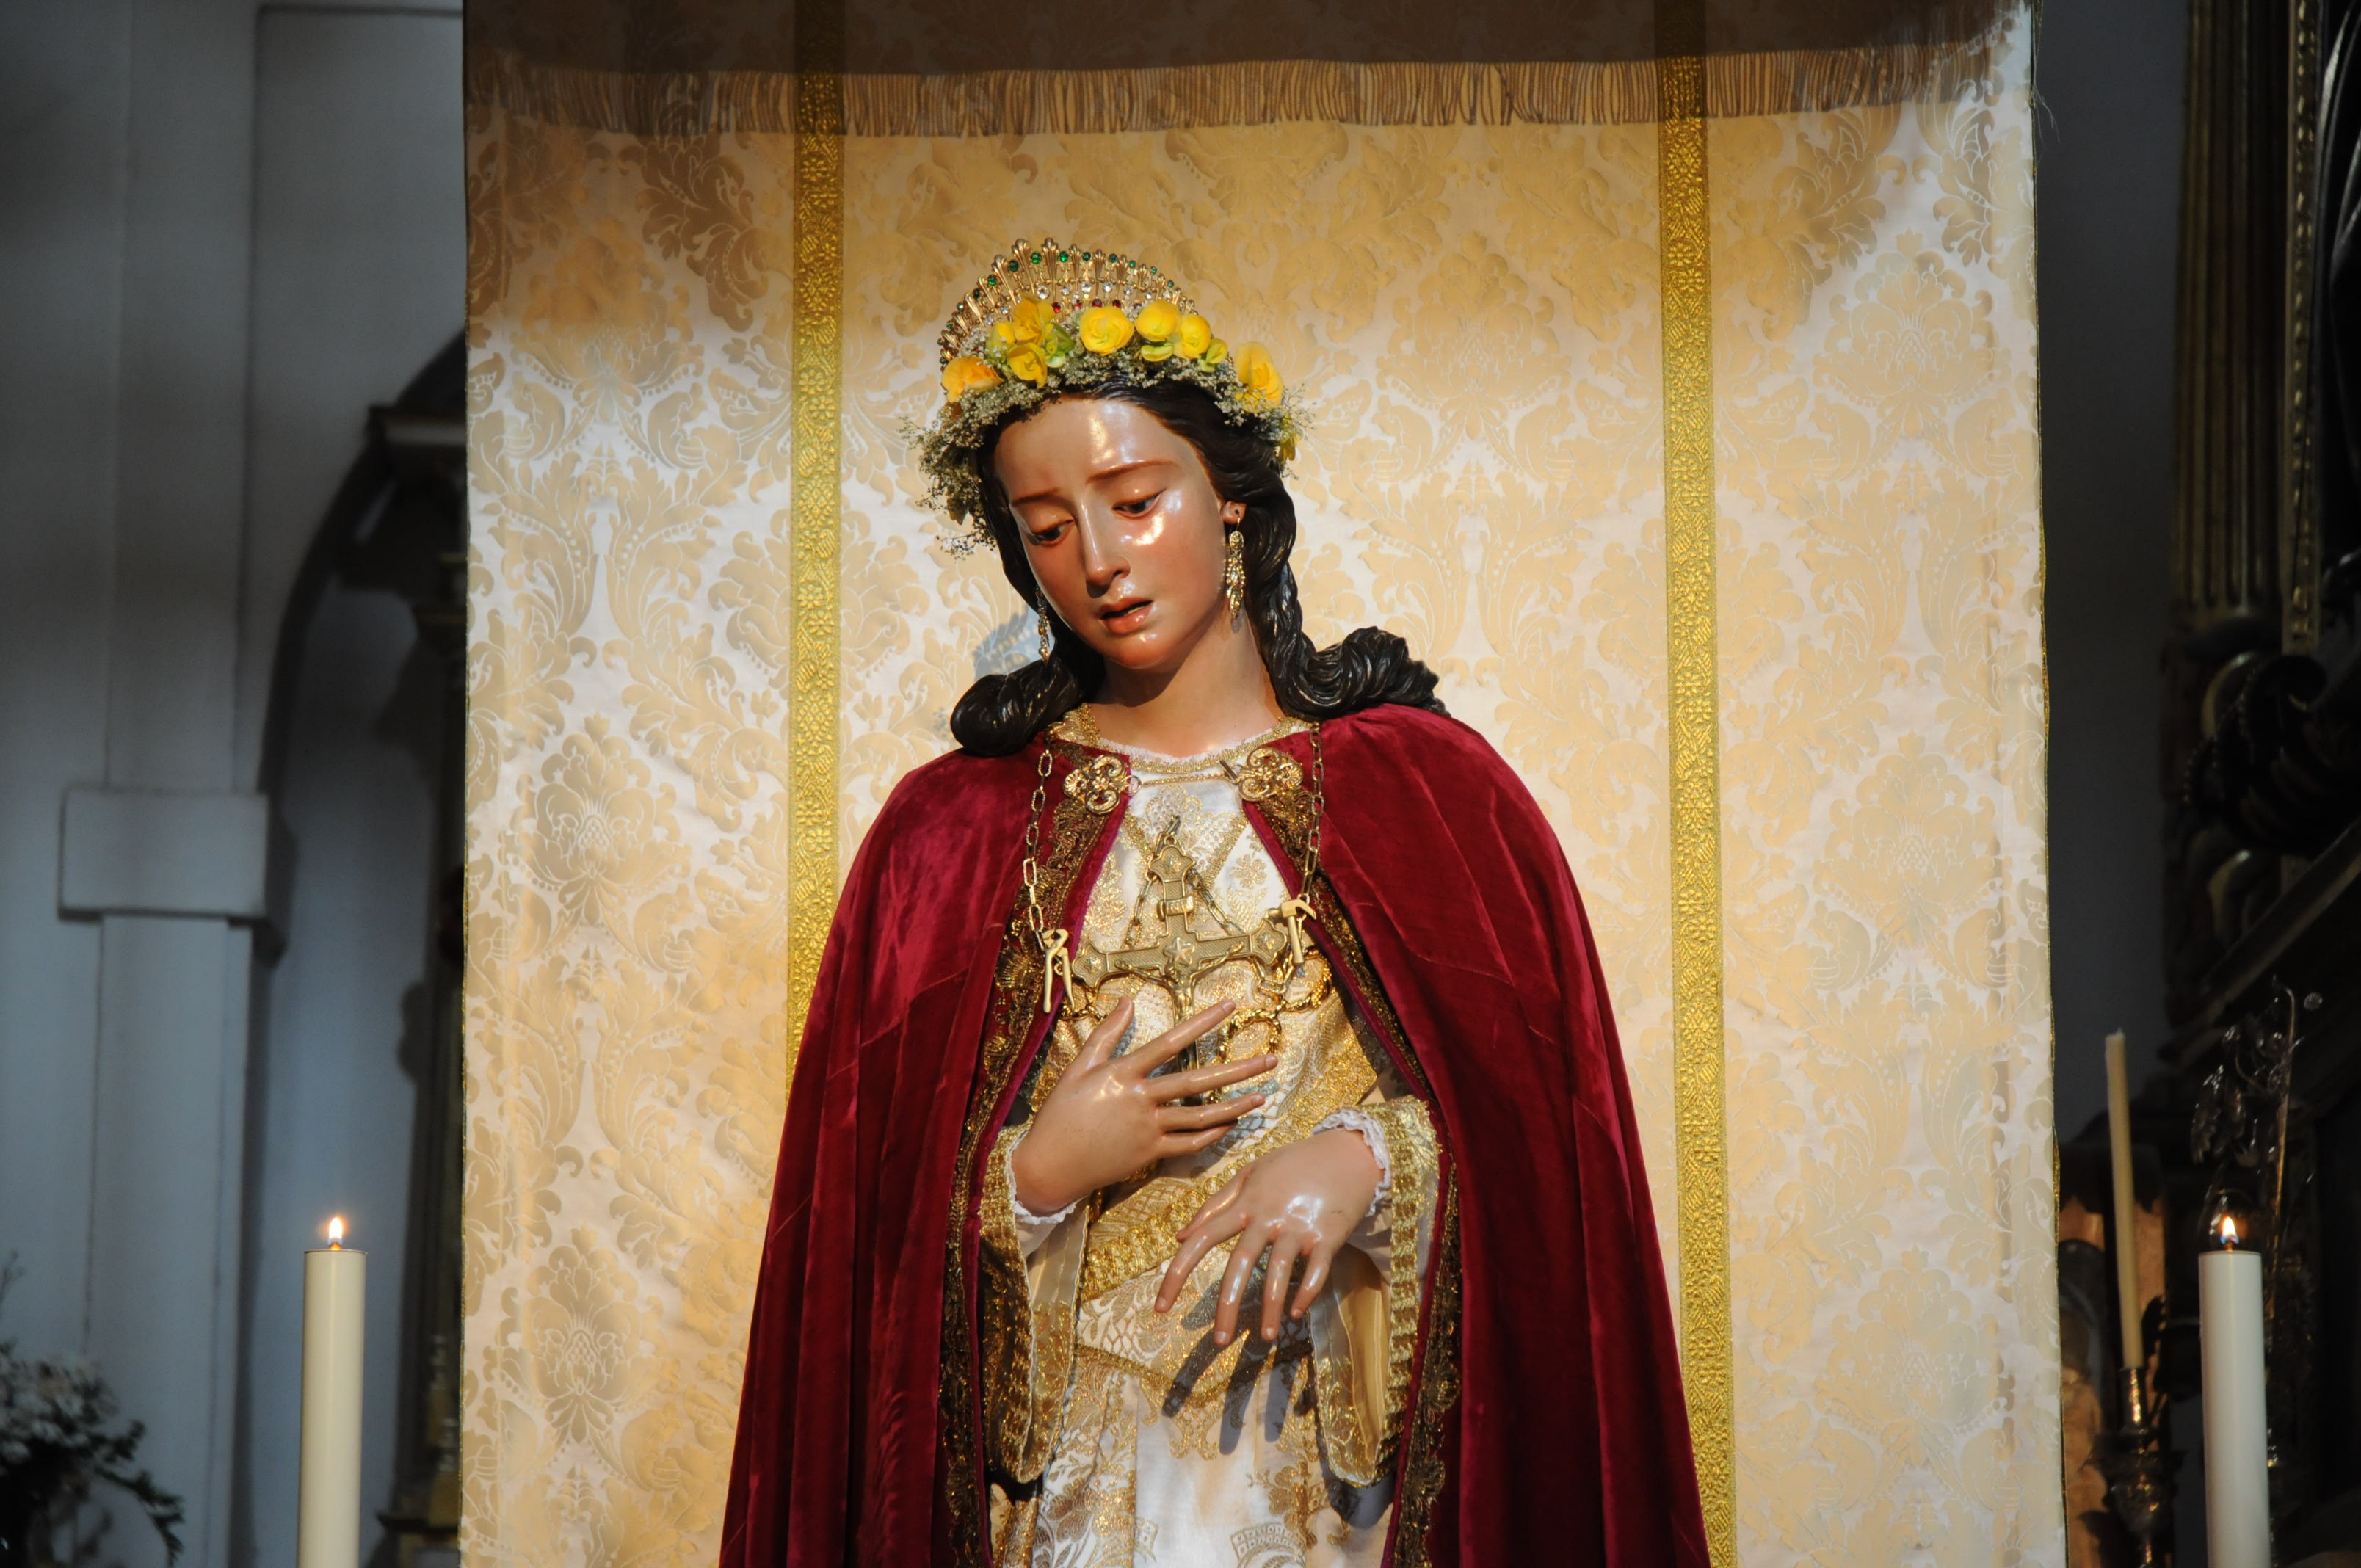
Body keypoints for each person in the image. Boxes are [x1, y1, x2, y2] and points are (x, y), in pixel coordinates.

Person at [720, 238, 1706, 1567]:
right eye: (1048, 528)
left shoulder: (1431, 797)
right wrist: (1032, 1179)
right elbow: (859, 1269)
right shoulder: (948, 834)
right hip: (1071, 1499)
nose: (1099, 561)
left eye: (1136, 501)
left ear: (1231, 495)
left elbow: (1549, 1177)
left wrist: (1369, 1162)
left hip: (1330, 1487)